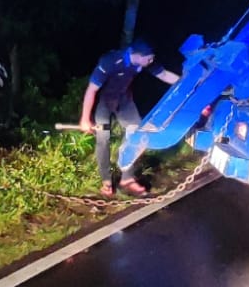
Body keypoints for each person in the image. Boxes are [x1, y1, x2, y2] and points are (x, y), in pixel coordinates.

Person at [76, 39, 180, 197]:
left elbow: (164, 75)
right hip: (103, 103)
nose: (152, 61)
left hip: (124, 101)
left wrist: (187, 83)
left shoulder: (145, 62)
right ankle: (106, 180)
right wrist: (85, 119)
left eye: (152, 58)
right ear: (137, 55)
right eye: (149, 58)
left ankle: (127, 178)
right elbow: (91, 90)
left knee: (136, 135)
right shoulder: (110, 61)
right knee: (103, 138)